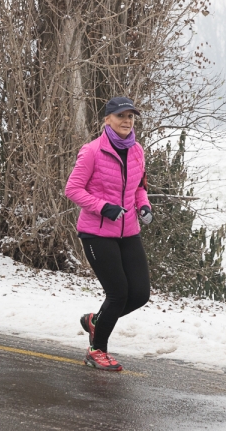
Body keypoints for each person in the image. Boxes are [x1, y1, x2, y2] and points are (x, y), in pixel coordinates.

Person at [65, 96, 154, 371]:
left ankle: (96, 321)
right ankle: (96, 350)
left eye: (131, 117)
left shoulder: (137, 150)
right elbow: (73, 189)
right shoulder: (91, 151)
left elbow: (139, 187)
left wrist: (144, 205)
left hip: (128, 231)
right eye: (121, 116)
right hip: (97, 233)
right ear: (107, 120)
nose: (127, 121)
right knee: (118, 294)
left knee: (139, 294)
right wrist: (104, 207)